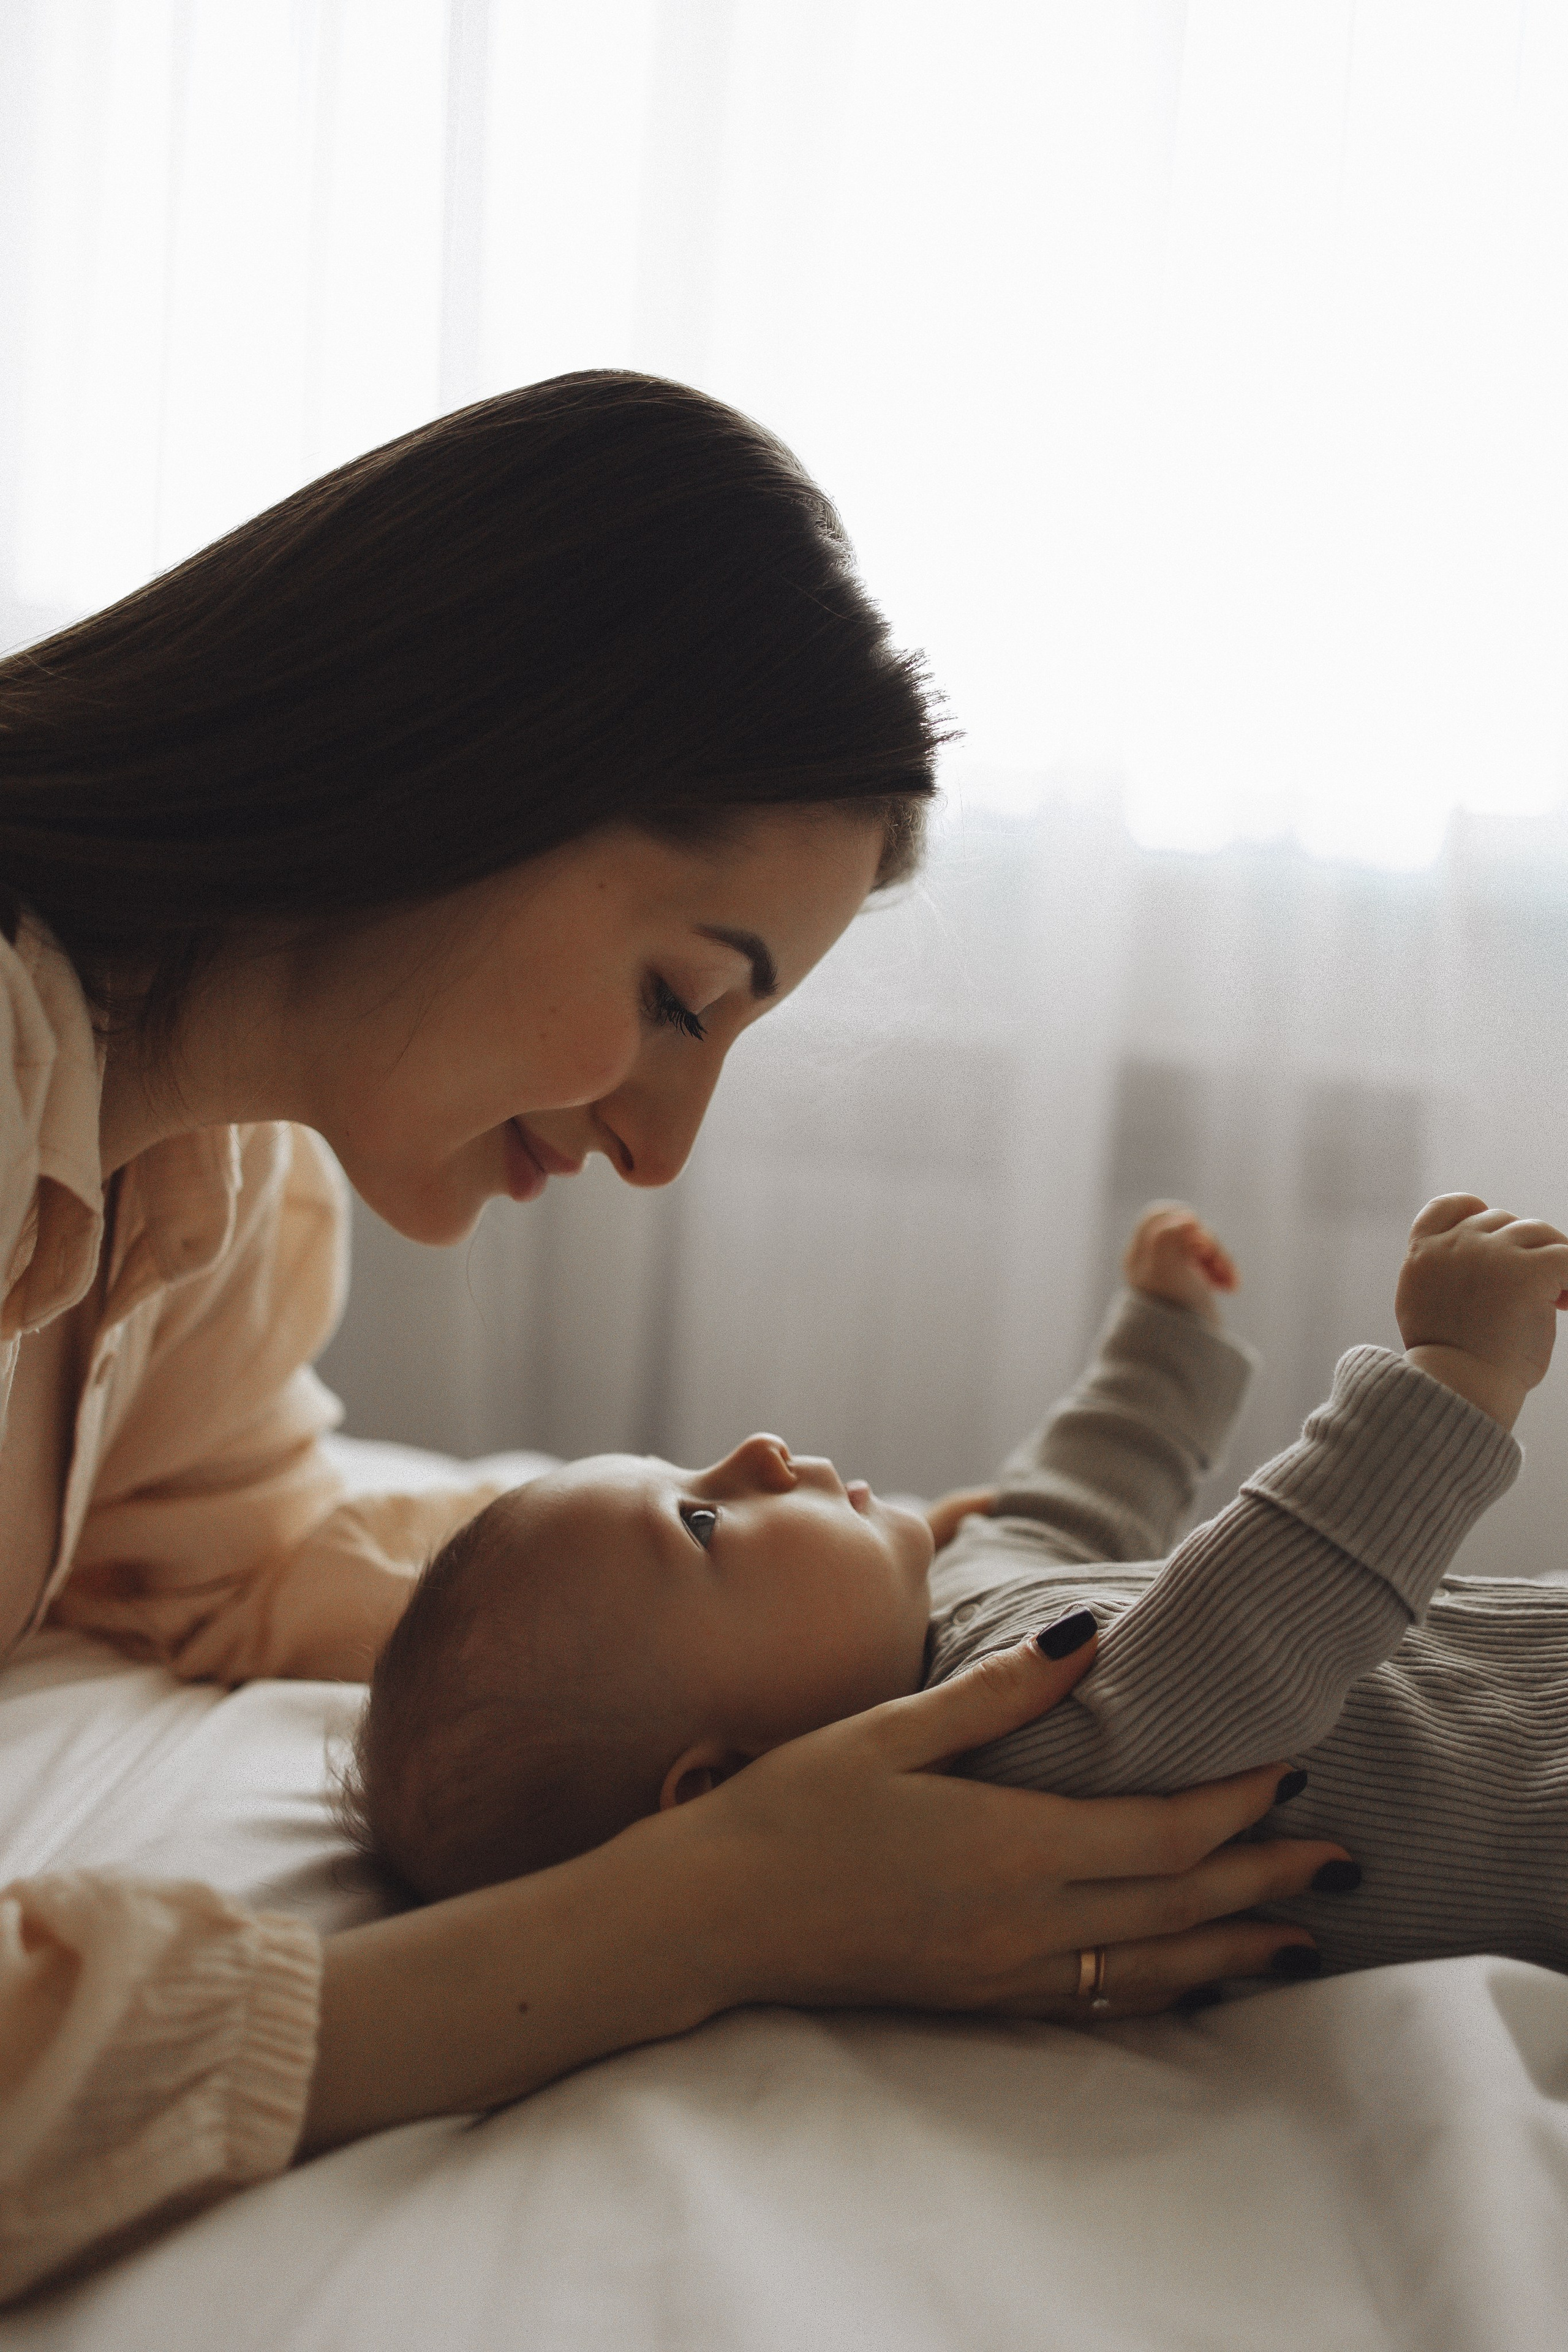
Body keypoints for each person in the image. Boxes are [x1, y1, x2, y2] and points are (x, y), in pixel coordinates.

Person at [0, 374, 1348, 2303]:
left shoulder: (198, 1190)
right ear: (452, 762)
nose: (657, 1145)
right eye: (675, 999)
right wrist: (706, 1911)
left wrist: (848, 1670)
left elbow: (222, 1560)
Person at [353, 1194, 1568, 1985]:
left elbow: (1064, 1501)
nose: (759, 1452)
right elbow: (1258, 1620)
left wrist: (1157, 1342)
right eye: (703, 1519)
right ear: (713, 1789)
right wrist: (1449, 1379)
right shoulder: (994, 1789)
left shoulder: (955, 1609)